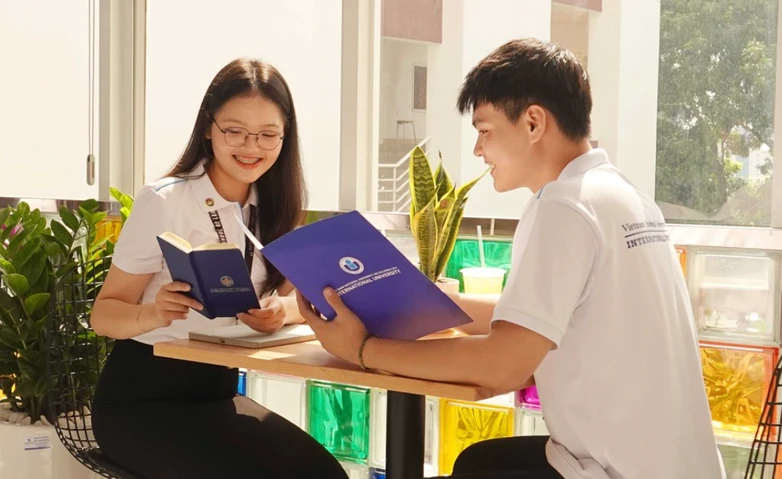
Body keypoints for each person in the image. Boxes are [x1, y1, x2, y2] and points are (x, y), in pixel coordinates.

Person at [297, 39, 726, 479]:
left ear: (533, 122)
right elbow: (547, 320)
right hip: (675, 467)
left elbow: (502, 366)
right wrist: (435, 304)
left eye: (484, 130)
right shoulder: (623, 197)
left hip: (614, 472)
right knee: (478, 463)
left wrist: (362, 350)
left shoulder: (562, 206)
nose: (478, 150)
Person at [90, 58, 347, 479]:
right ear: (208, 127)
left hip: (217, 394)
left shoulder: (278, 206)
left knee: (324, 474)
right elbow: (103, 316)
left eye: (268, 135)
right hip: (140, 402)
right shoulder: (165, 201)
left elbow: (305, 300)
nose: (251, 147)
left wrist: (281, 312)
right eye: (235, 131)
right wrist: (152, 312)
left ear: (285, 137)